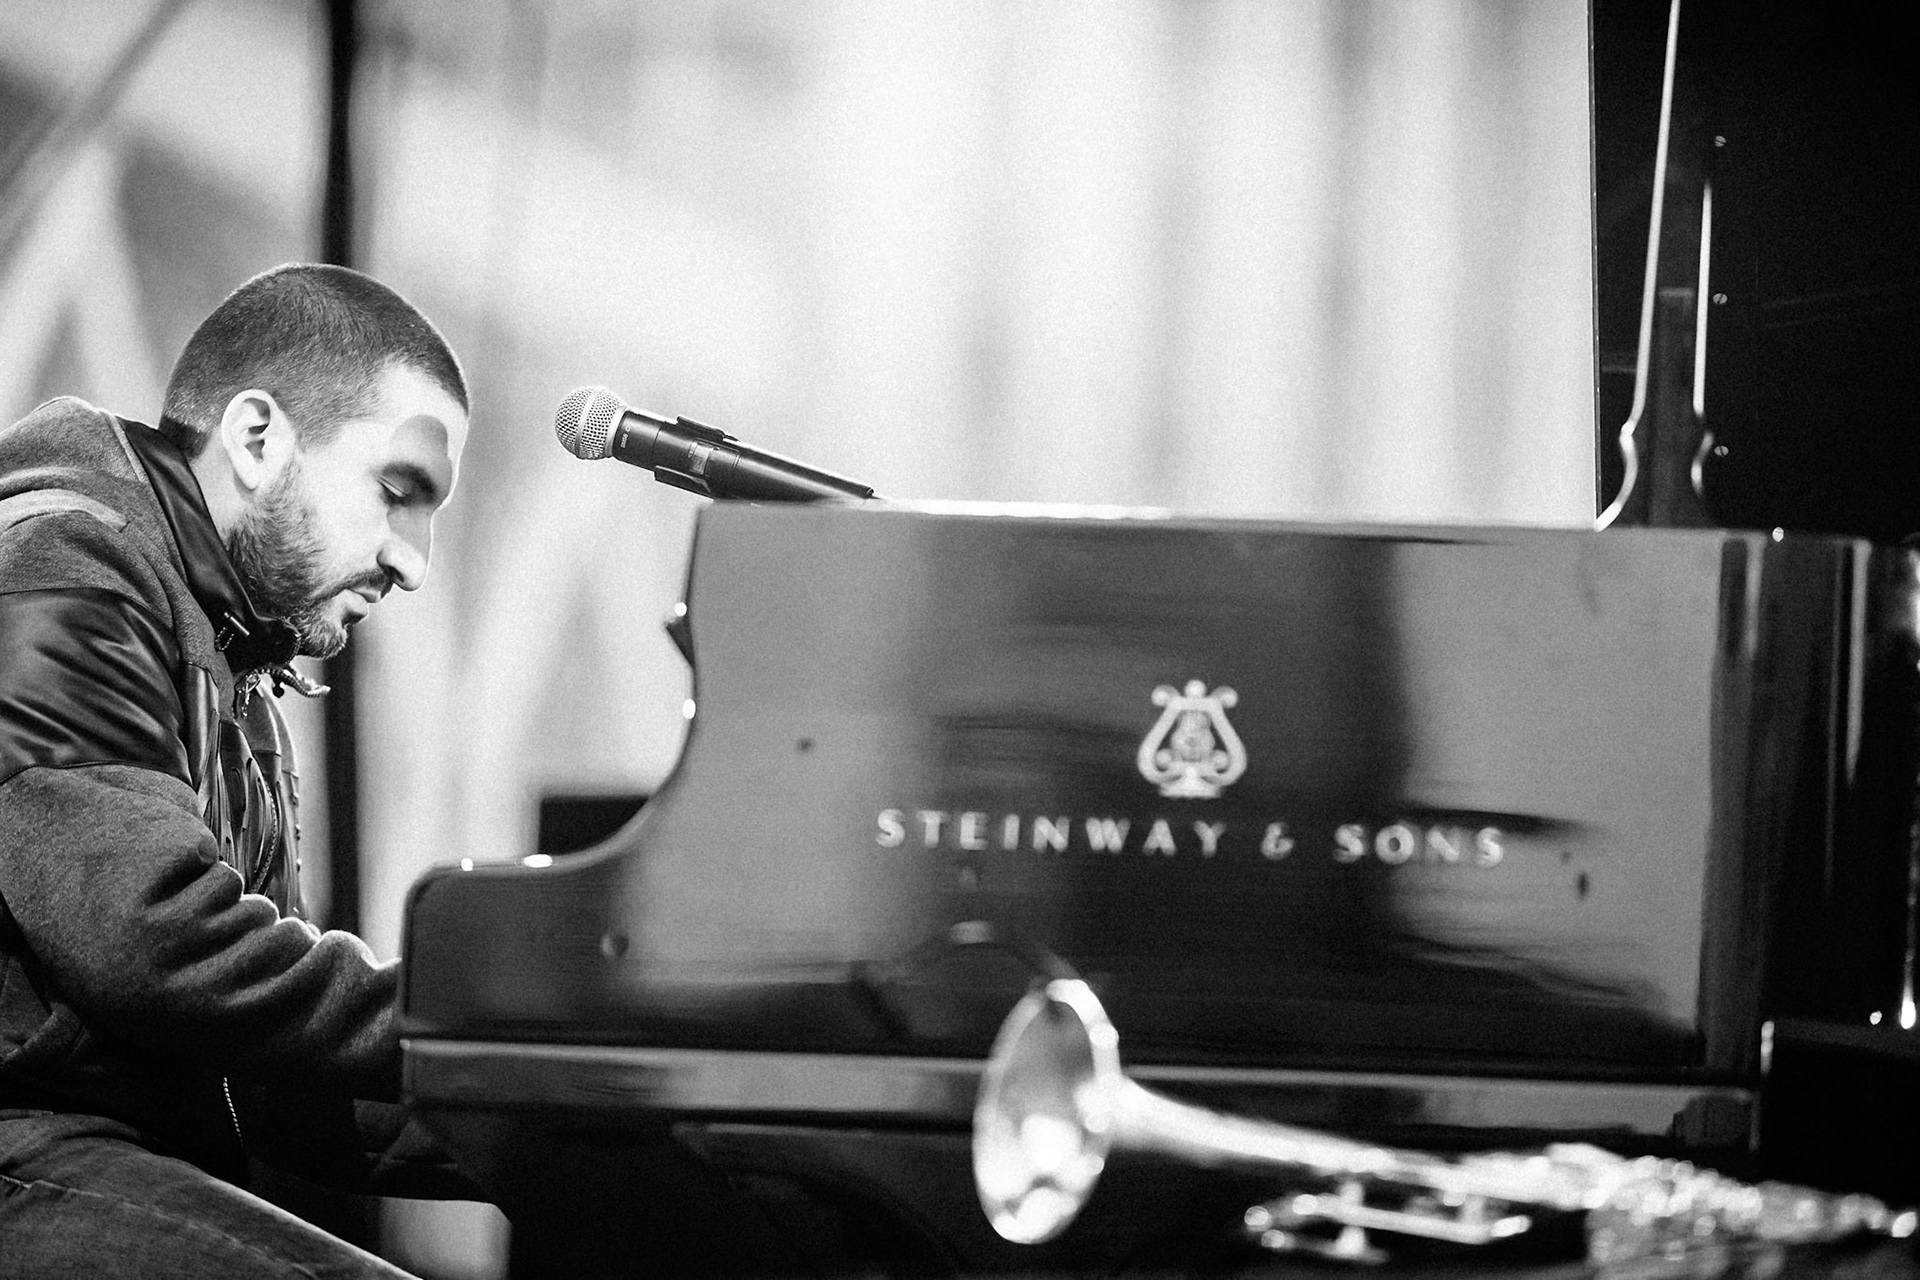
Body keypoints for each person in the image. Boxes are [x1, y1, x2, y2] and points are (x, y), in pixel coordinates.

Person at [0, 264, 474, 1278]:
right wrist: (477, 1024)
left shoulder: (241, 666)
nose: (414, 560)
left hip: (81, 1153)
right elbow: (150, 938)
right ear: (258, 439)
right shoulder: (64, 564)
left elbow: (279, 1081)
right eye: (399, 493)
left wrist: (566, 1106)